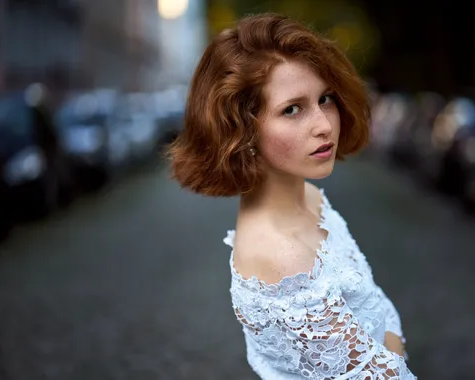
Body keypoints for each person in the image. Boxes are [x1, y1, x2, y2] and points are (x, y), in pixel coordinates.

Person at [169, 13, 416, 379]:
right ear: (242, 130)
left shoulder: (312, 198)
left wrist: (387, 343)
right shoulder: (282, 258)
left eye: (325, 99)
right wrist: (392, 346)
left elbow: (378, 308)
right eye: (292, 109)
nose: (324, 125)